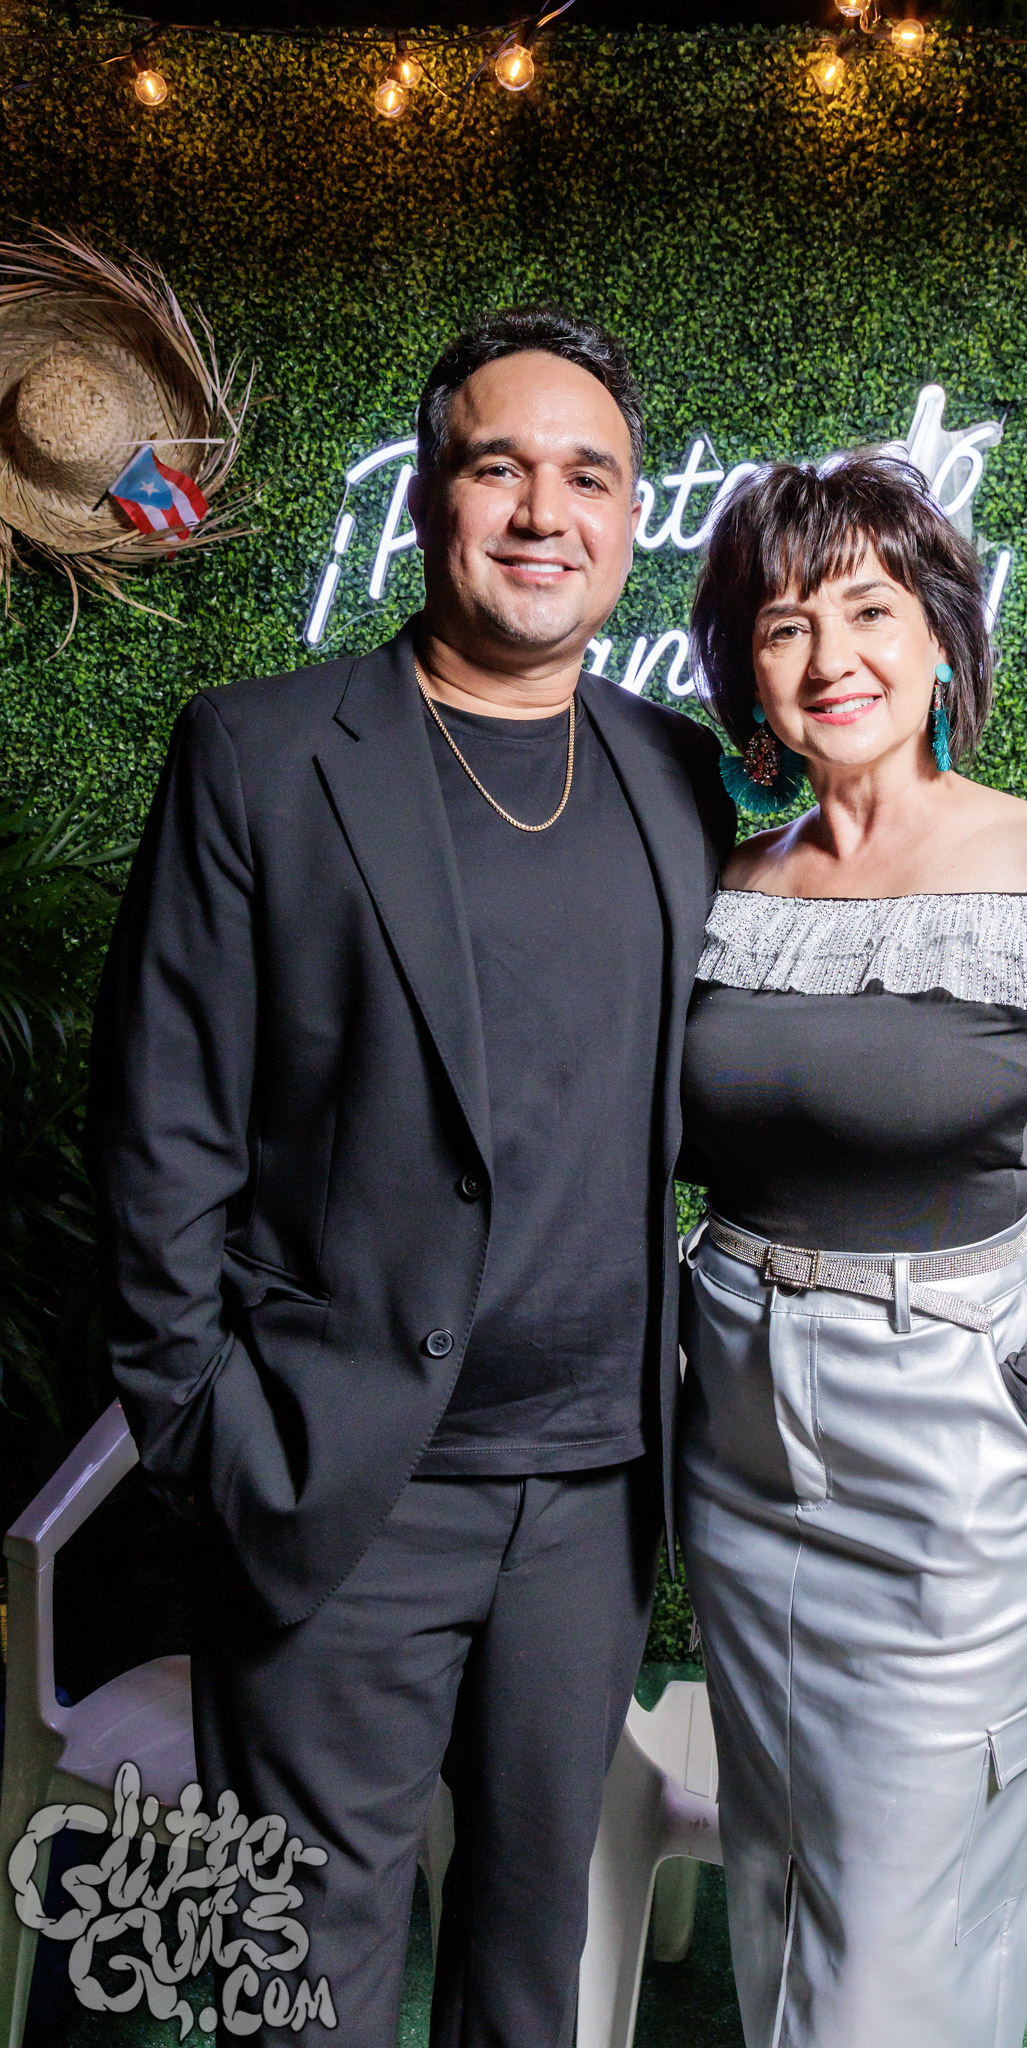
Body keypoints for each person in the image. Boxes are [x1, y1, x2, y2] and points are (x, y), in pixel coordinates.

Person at [86, 307, 733, 2048]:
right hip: (338, 1480)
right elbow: (158, 1132)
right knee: (301, 1984)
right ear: (433, 495)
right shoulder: (260, 751)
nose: (542, 511)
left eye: (587, 476)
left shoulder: (676, 776)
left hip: (593, 1494)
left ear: (632, 518)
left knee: (529, 1967)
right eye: (497, 467)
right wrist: (213, 1442)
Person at [676, 452, 1027, 2048]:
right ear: (745, 670)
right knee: (779, 1866)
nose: (829, 657)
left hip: (954, 1431)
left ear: (938, 639)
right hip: (737, 1433)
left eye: (868, 611)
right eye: (783, 625)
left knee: (896, 1922)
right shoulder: (731, 884)